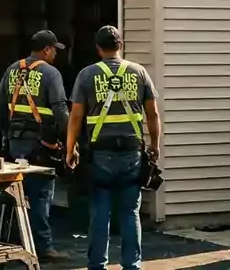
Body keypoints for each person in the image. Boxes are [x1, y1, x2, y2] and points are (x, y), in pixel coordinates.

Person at [65, 25, 162, 270]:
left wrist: (70, 149)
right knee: (130, 212)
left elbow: (75, 117)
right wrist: (154, 146)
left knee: (100, 213)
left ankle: (97, 265)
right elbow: (153, 115)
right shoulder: (139, 72)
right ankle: (132, 265)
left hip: (100, 156)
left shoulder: (87, 75)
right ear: (121, 45)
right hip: (132, 153)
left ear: (99, 49)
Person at [0, 30, 70, 261]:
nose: (56, 54)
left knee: (17, 193)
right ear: (46, 50)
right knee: (41, 195)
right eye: (54, 50)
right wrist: (71, 140)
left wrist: (5, 134)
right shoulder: (51, 73)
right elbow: (59, 109)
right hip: (41, 144)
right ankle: (43, 247)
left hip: (16, 142)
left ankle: (15, 241)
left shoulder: (12, 70)